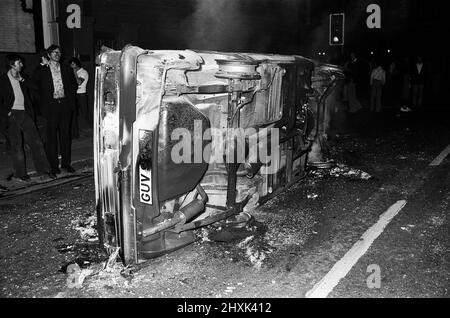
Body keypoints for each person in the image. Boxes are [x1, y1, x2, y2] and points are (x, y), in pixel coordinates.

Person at [0, 54, 56, 181]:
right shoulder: (3, 80)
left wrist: (22, 80)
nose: (22, 65)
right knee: (17, 145)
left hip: (25, 113)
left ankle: (44, 170)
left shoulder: (23, 77)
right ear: (11, 64)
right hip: (13, 114)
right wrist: (6, 112)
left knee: (36, 142)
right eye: (19, 63)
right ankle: (20, 174)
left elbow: (36, 87)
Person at [32, 45, 77, 175]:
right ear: (49, 54)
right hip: (51, 106)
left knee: (65, 136)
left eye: (59, 52)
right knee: (51, 137)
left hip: (64, 105)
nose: (57, 54)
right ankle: (53, 166)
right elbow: (34, 83)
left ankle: (66, 163)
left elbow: (73, 85)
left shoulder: (66, 68)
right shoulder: (43, 69)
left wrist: (70, 102)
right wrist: (41, 65)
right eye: (54, 52)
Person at [69, 57, 90, 136]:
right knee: (76, 113)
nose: (71, 66)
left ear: (76, 64)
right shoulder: (75, 72)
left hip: (81, 94)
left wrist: (74, 72)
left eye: (73, 64)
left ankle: (86, 130)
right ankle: (79, 131)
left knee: (83, 112)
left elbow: (79, 83)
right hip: (75, 94)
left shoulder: (83, 72)